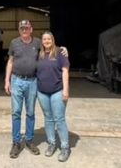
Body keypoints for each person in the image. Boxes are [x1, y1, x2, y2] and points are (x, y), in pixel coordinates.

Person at [4, 20, 67, 159]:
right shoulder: (14, 43)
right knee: (16, 112)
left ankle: (29, 140)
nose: (24, 30)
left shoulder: (38, 42)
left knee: (31, 113)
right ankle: (16, 142)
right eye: (22, 28)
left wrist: (63, 48)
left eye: (27, 28)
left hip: (32, 81)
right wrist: (7, 80)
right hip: (16, 80)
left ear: (31, 29)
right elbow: (10, 62)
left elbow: (50, 46)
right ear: (19, 30)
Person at [36, 31, 71, 162]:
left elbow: (65, 71)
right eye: (44, 39)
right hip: (42, 92)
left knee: (59, 119)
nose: (46, 41)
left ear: (53, 39)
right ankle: (51, 144)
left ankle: (65, 147)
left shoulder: (60, 53)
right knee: (48, 119)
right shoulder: (38, 54)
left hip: (57, 91)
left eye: (48, 39)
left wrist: (66, 90)